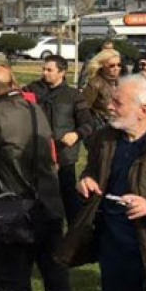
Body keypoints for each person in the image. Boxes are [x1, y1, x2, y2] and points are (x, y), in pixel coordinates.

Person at [68, 75, 146, 291]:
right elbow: (91, 171)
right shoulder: (104, 139)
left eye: (118, 102)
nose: (109, 106)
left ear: (144, 110)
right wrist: (85, 181)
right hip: (113, 250)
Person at [0, 65, 75, 291]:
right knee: (56, 279)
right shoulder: (35, 109)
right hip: (48, 204)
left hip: (14, 209)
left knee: (15, 283)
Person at [24, 55, 95, 225]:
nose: (45, 73)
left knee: (69, 199)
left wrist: (76, 134)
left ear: (62, 72)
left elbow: (87, 123)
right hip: (36, 154)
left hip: (64, 157)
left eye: (49, 70)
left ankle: (74, 238)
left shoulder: (73, 96)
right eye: (44, 69)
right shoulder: (31, 89)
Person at [82, 48, 122, 124]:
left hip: (119, 124)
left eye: (119, 65)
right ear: (102, 66)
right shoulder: (95, 83)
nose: (116, 68)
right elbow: (83, 108)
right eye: (112, 65)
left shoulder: (121, 82)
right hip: (101, 125)